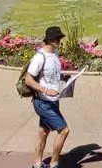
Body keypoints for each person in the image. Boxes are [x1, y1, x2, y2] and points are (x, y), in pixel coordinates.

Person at [25, 26, 70, 168]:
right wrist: (45, 90)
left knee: (43, 132)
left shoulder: (55, 54)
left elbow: (51, 74)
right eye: (57, 39)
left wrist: (64, 77)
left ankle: (37, 164)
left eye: (60, 38)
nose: (59, 41)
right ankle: (54, 164)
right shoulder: (40, 57)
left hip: (53, 101)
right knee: (64, 131)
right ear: (49, 40)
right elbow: (29, 80)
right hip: (43, 102)